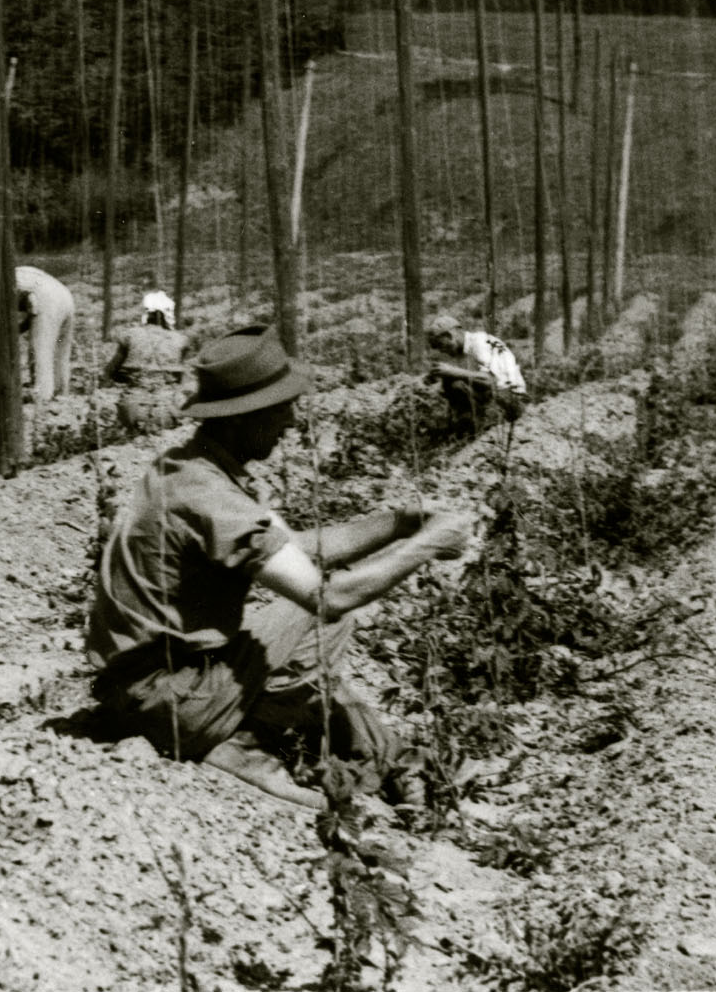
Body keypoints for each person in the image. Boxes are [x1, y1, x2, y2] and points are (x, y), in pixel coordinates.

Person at [87, 323, 473, 809]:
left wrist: (400, 523)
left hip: (142, 684)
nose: (291, 423)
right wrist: (429, 545)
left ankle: (346, 750)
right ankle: (247, 741)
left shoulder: (189, 467)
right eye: (283, 409)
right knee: (321, 618)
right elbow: (329, 598)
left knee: (309, 641)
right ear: (245, 418)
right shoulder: (213, 497)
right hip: (167, 696)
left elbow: (294, 547)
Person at [0, 257, 75, 403]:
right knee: (60, 348)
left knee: (39, 348)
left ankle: (42, 396)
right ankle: (61, 392)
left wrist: (7, 331)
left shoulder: (3, 283)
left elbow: (33, 304)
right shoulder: (16, 273)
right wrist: (18, 329)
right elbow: (32, 309)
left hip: (47, 299)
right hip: (65, 296)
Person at [103, 290, 193, 433]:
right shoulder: (180, 340)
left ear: (146, 313)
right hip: (168, 409)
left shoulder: (130, 335)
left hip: (132, 407)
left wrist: (131, 377)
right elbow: (181, 380)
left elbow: (110, 372)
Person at [424, 314, 527, 432]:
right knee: (450, 380)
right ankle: (463, 426)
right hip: (499, 395)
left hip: (510, 398)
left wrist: (451, 371)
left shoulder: (479, 342)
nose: (442, 351)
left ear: (450, 335)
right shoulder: (466, 349)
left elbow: (490, 380)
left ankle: (474, 426)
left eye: (441, 345)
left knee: (455, 382)